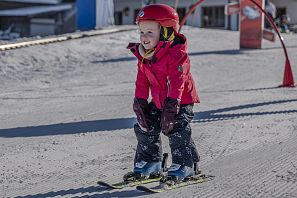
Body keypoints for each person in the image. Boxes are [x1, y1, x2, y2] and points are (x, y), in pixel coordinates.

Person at [126, 4, 200, 183]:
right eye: (141, 32)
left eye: (150, 32)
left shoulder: (177, 54)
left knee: (176, 129)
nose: (144, 38)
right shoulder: (145, 56)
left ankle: (186, 164)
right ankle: (151, 162)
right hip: (160, 102)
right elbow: (141, 82)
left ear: (166, 32)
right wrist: (141, 104)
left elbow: (178, 80)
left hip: (180, 101)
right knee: (145, 126)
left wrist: (172, 106)